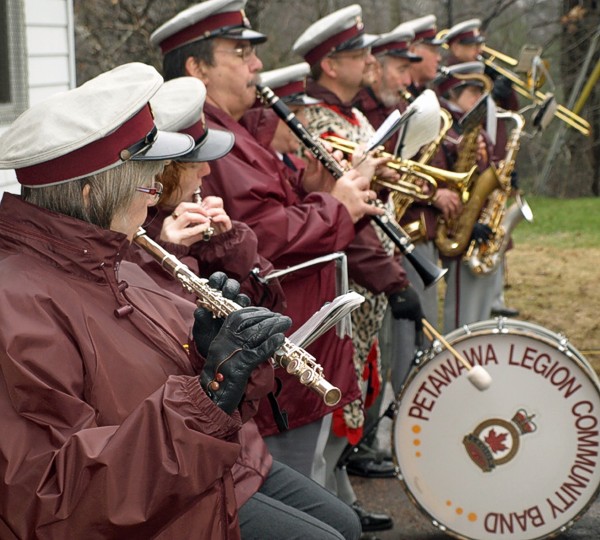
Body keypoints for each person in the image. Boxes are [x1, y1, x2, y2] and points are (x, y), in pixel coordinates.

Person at [0, 62, 362, 540]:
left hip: (198, 473)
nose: (154, 202)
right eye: (148, 184)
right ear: (90, 192)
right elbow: (52, 498)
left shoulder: (118, 260)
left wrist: (213, 358)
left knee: (345, 525)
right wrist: (206, 396)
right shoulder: (17, 304)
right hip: (154, 505)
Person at [150, 2, 384, 531]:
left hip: (286, 340)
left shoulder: (235, 131)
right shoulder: (202, 137)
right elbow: (269, 233)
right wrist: (336, 207)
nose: (257, 66)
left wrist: (325, 189)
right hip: (272, 349)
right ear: (196, 70)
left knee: (324, 502)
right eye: (241, 53)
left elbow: (259, 221)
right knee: (310, 504)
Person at [292, 4, 426, 532]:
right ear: (331, 65)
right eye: (358, 54)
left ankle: (338, 495)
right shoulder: (322, 124)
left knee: (359, 389)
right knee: (340, 397)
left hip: (370, 278)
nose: (370, 60)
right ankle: (329, 503)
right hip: (355, 279)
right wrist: (392, 280)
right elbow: (342, 216)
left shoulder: (354, 117)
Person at [130, 75, 286, 313]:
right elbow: (181, 329)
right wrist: (169, 256)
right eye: (194, 165)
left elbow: (271, 306)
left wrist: (228, 250)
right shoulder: (128, 231)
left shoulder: (183, 203)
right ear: (161, 173)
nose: (207, 170)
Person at [432, 61, 499, 333]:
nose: (478, 99)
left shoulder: (471, 126)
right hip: (456, 225)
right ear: (453, 93)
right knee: (461, 317)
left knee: (478, 312)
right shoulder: (445, 124)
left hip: (474, 219)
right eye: (472, 93)